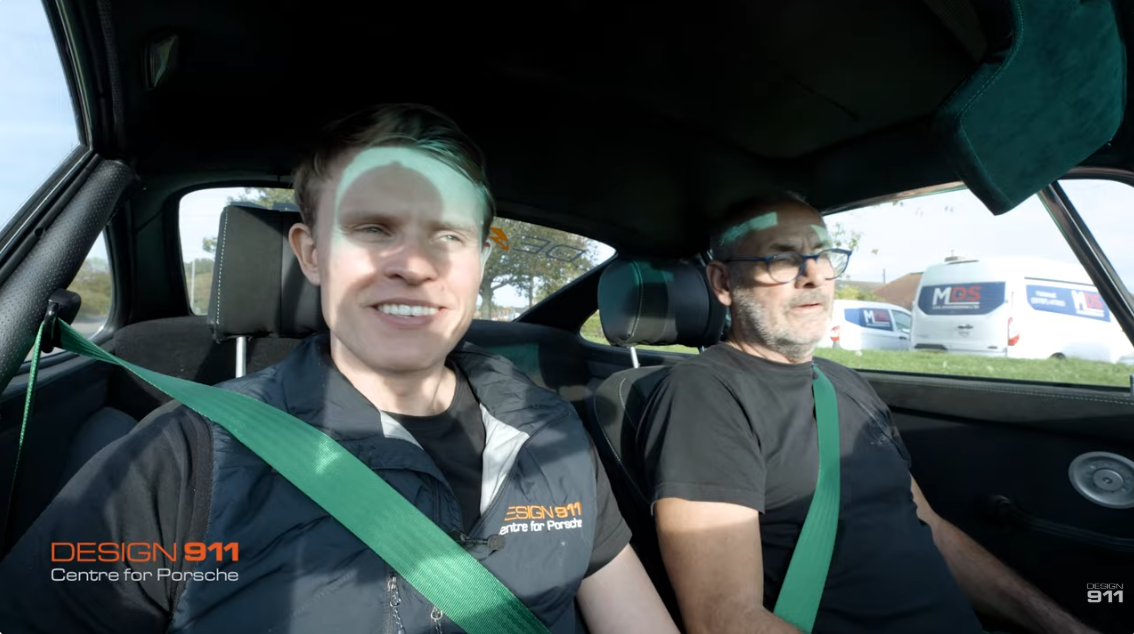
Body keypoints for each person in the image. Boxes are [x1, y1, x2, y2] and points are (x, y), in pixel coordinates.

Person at [0, 104, 678, 634]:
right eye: (374, 229)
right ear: (311, 253)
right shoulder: (185, 458)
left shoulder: (551, 431)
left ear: (478, 262)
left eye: (448, 235)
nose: (415, 265)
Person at [638, 192, 1100, 634]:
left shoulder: (843, 381)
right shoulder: (705, 394)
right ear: (723, 283)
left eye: (822, 255)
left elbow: (931, 528)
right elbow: (725, 619)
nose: (814, 276)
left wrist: (1065, 627)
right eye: (782, 258)